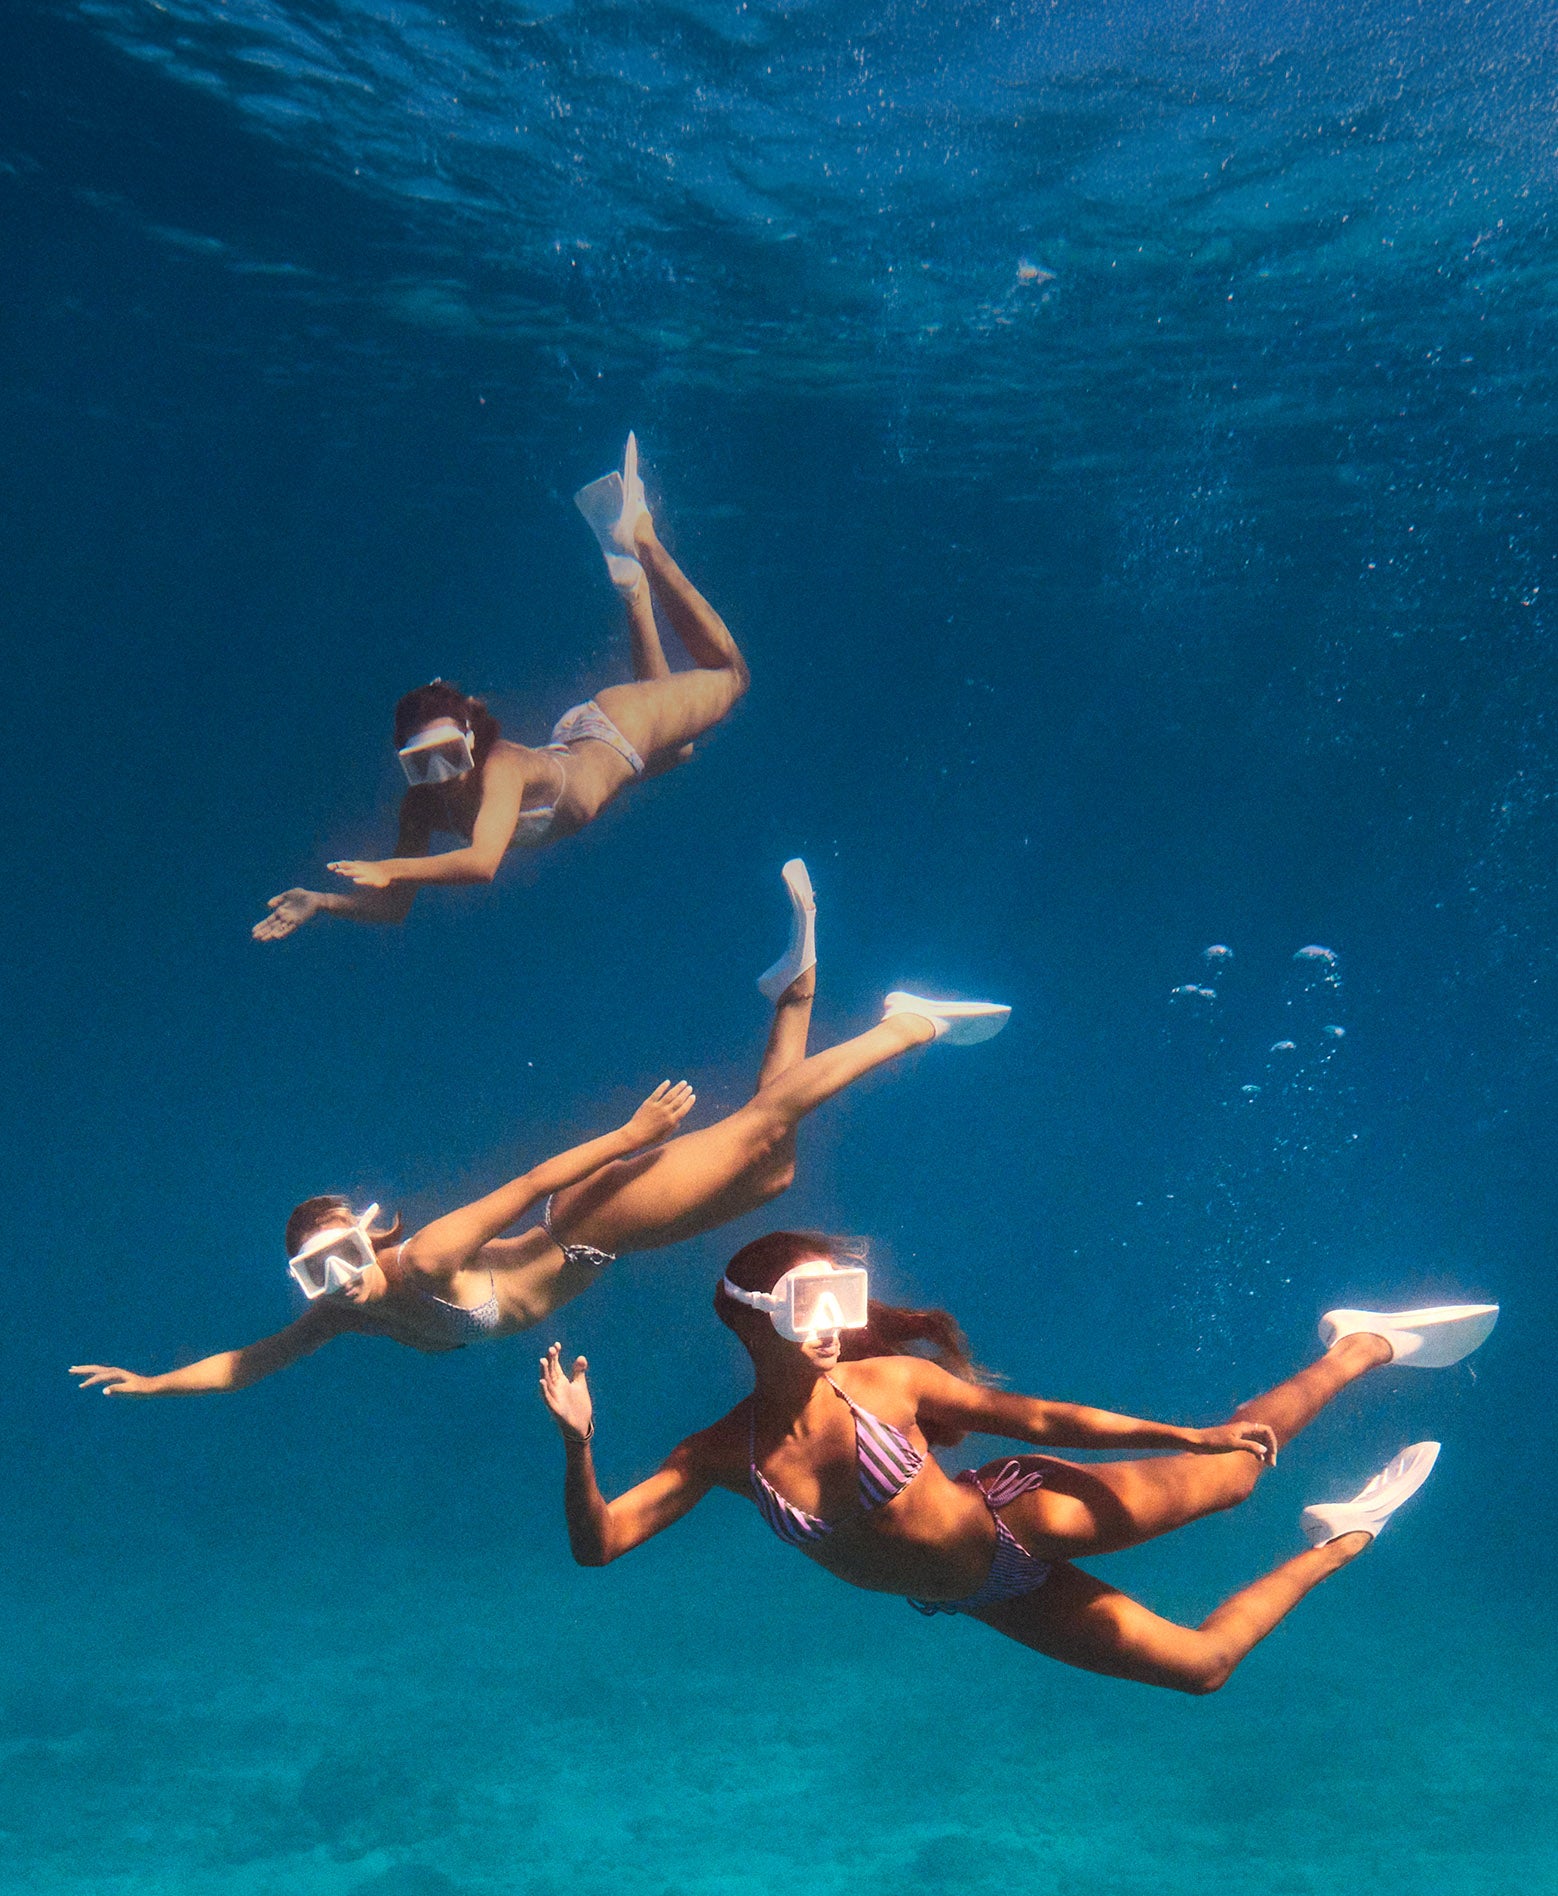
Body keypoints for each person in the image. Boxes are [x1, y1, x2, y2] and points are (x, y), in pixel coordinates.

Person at [72, 877, 1011, 1395]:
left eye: (344, 1254)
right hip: (608, 1239)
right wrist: (152, 1384)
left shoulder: (430, 1255)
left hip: (592, 1219)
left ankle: (908, 1024)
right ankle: (794, 991)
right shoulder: (343, 1313)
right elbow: (253, 1362)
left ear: (372, 1233)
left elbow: (525, 1185)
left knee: (763, 1127)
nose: (340, 1278)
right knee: (772, 1169)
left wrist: (628, 1133)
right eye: (318, 1273)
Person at [537, 1231, 1498, 1695]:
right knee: (1203, 1669)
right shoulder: (721, 1454)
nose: (832, 1324)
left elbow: (1039, 1415)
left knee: (1241, 1471)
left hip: (1023, 1517)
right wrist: (580, 1447)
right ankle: (1344, 1536)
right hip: (981, 1596)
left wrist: (1186, 1436)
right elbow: (601, 1545)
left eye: (840, 1297)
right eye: (805, 1306)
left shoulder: (888, 1384)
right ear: (753, 1320)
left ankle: (1360, 1346)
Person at [254, 438, 747, 941]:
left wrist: (393, 867)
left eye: (449, 754)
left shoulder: (500, 769)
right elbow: (394, 909)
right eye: (421, 765)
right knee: (679, 749)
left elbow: (483, 863)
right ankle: (632, 591)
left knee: (732, 676)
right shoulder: (421, 807)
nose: (442, 776)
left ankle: (642, 538)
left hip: (617, 730)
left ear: (471, 742)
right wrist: (321, 902)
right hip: (579, 747)